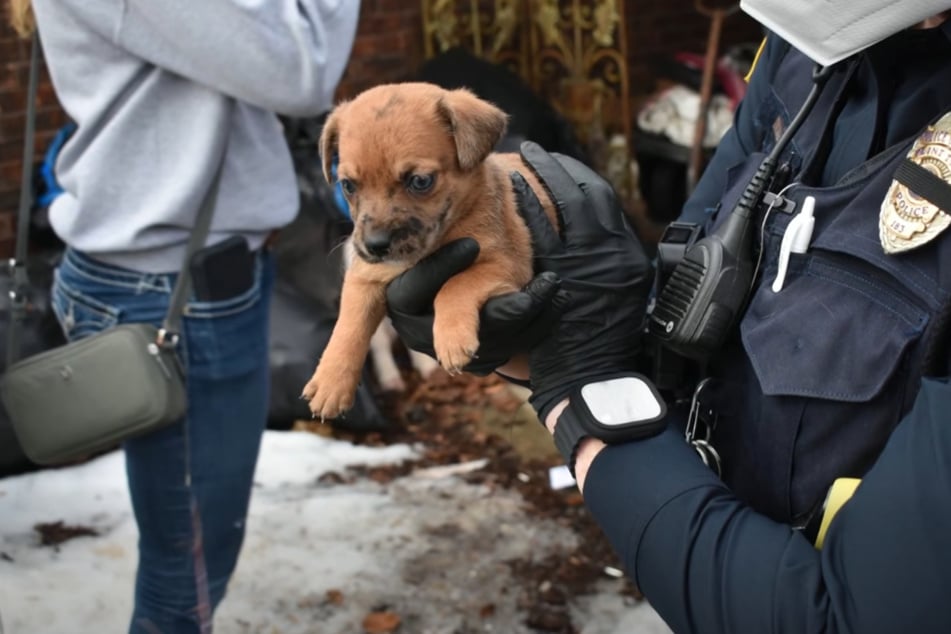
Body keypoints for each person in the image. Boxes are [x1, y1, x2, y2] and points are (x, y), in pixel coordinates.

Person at [385, 1, 951, 631]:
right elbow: (691, 310)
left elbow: (844, 620)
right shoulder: (808, 47)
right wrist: (543, 321)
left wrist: (585, 399)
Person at [8, 1, 359, 631]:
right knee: (188, 575)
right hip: (175, 295)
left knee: (190, 555)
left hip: (176, 277)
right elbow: (300, 68)